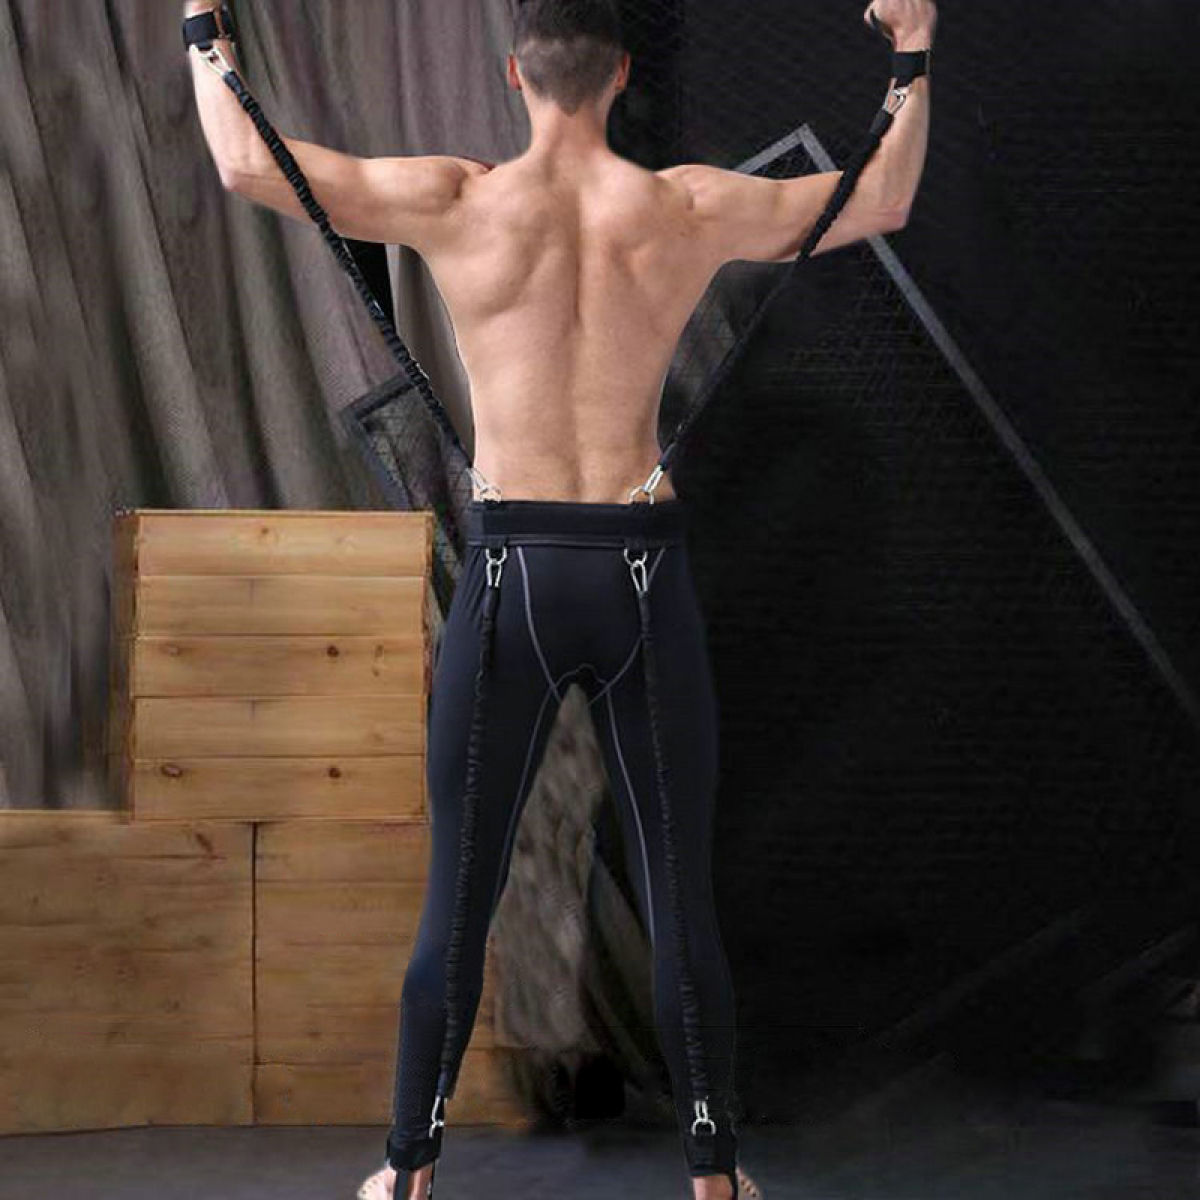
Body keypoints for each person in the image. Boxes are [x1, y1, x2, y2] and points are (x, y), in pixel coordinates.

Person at [184, 1, 935, 1195]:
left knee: (460, 897)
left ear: (514, 77)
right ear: (622, 76)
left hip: (514, 577)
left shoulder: (455, 199)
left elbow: (240, 161)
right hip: (641, 569)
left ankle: (406, 1174)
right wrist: (914, 48)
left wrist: (201, 27)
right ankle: (715, 1180)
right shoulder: (685, 206)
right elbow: (883, 197)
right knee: (679, 894)